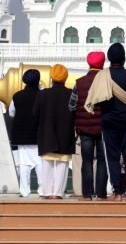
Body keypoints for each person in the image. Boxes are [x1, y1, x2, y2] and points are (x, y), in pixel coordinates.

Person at [85, 42, 126, 201]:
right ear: (124, 59)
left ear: (109, 59)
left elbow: (95, 100)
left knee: (111, 157)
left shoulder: (102, 76)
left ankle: (117, 192)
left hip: (109, 123)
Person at [69, 52, 108, 200]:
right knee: (103, 161)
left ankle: (87, 194)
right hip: (103, 128)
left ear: (88, 63)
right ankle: (101, 193)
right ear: (102, 64)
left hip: (84, 129)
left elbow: (71, 106)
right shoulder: (106, 83)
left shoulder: (79, 83)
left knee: (87, 161)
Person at [33, 64, 75, 199]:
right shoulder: (70, 94)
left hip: (46, 134)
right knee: (63, 165)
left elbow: (35, 113)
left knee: (47, 165)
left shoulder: (42, 94)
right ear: (65, 77)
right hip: (65, 134)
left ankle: (47, 192)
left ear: (51, 77)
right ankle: (57, 193)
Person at [9, 69, 43, 197]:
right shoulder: (42, 95)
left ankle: (24, 190)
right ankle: (42, 189)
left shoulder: (17, 96)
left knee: (24, 163)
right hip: (38, 134)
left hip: (22, 134)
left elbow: (12, 113)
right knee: (40, 162)